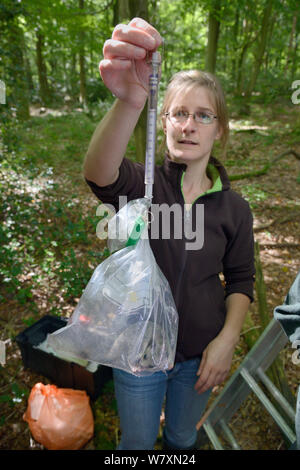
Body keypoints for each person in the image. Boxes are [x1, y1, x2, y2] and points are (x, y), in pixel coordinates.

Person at [83, 17, 255, 450]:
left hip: (199, 355)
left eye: (202, 116)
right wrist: (129, 101)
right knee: (138, 445)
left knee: (181, 439)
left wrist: (226, 342)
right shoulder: (143, 186)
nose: (189, 125)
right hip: (138, 352)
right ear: (164, 121)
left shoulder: (233, 208)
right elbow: (99, 176)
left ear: (220, 129)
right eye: (179, 113)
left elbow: (240, 281)